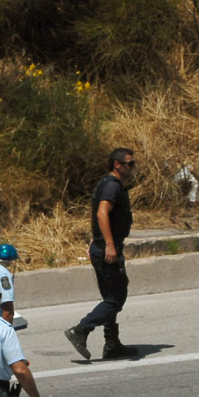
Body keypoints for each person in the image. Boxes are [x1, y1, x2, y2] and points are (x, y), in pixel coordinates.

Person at [64, 147, 139, 360]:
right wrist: (108, 244)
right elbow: (102, 212)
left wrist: (95, 238)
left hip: (101, 245)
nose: (133, 168)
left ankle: (112, 344)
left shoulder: (106, 183)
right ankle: (81, 330)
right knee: (116, 298)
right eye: (130, 164)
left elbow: (98, 214)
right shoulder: (113, 187)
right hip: (107, 249)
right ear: (117, 164)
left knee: (109, 297)